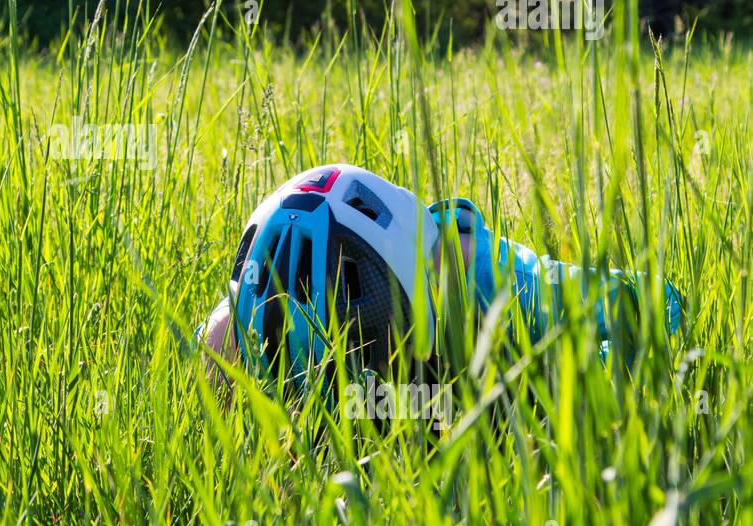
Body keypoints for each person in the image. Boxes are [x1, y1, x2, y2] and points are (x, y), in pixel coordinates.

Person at [197, 164, 684, 393]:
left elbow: (660, 302)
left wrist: (567, 385)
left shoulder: (499, 283)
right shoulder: (236, 325)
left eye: (369, 353)